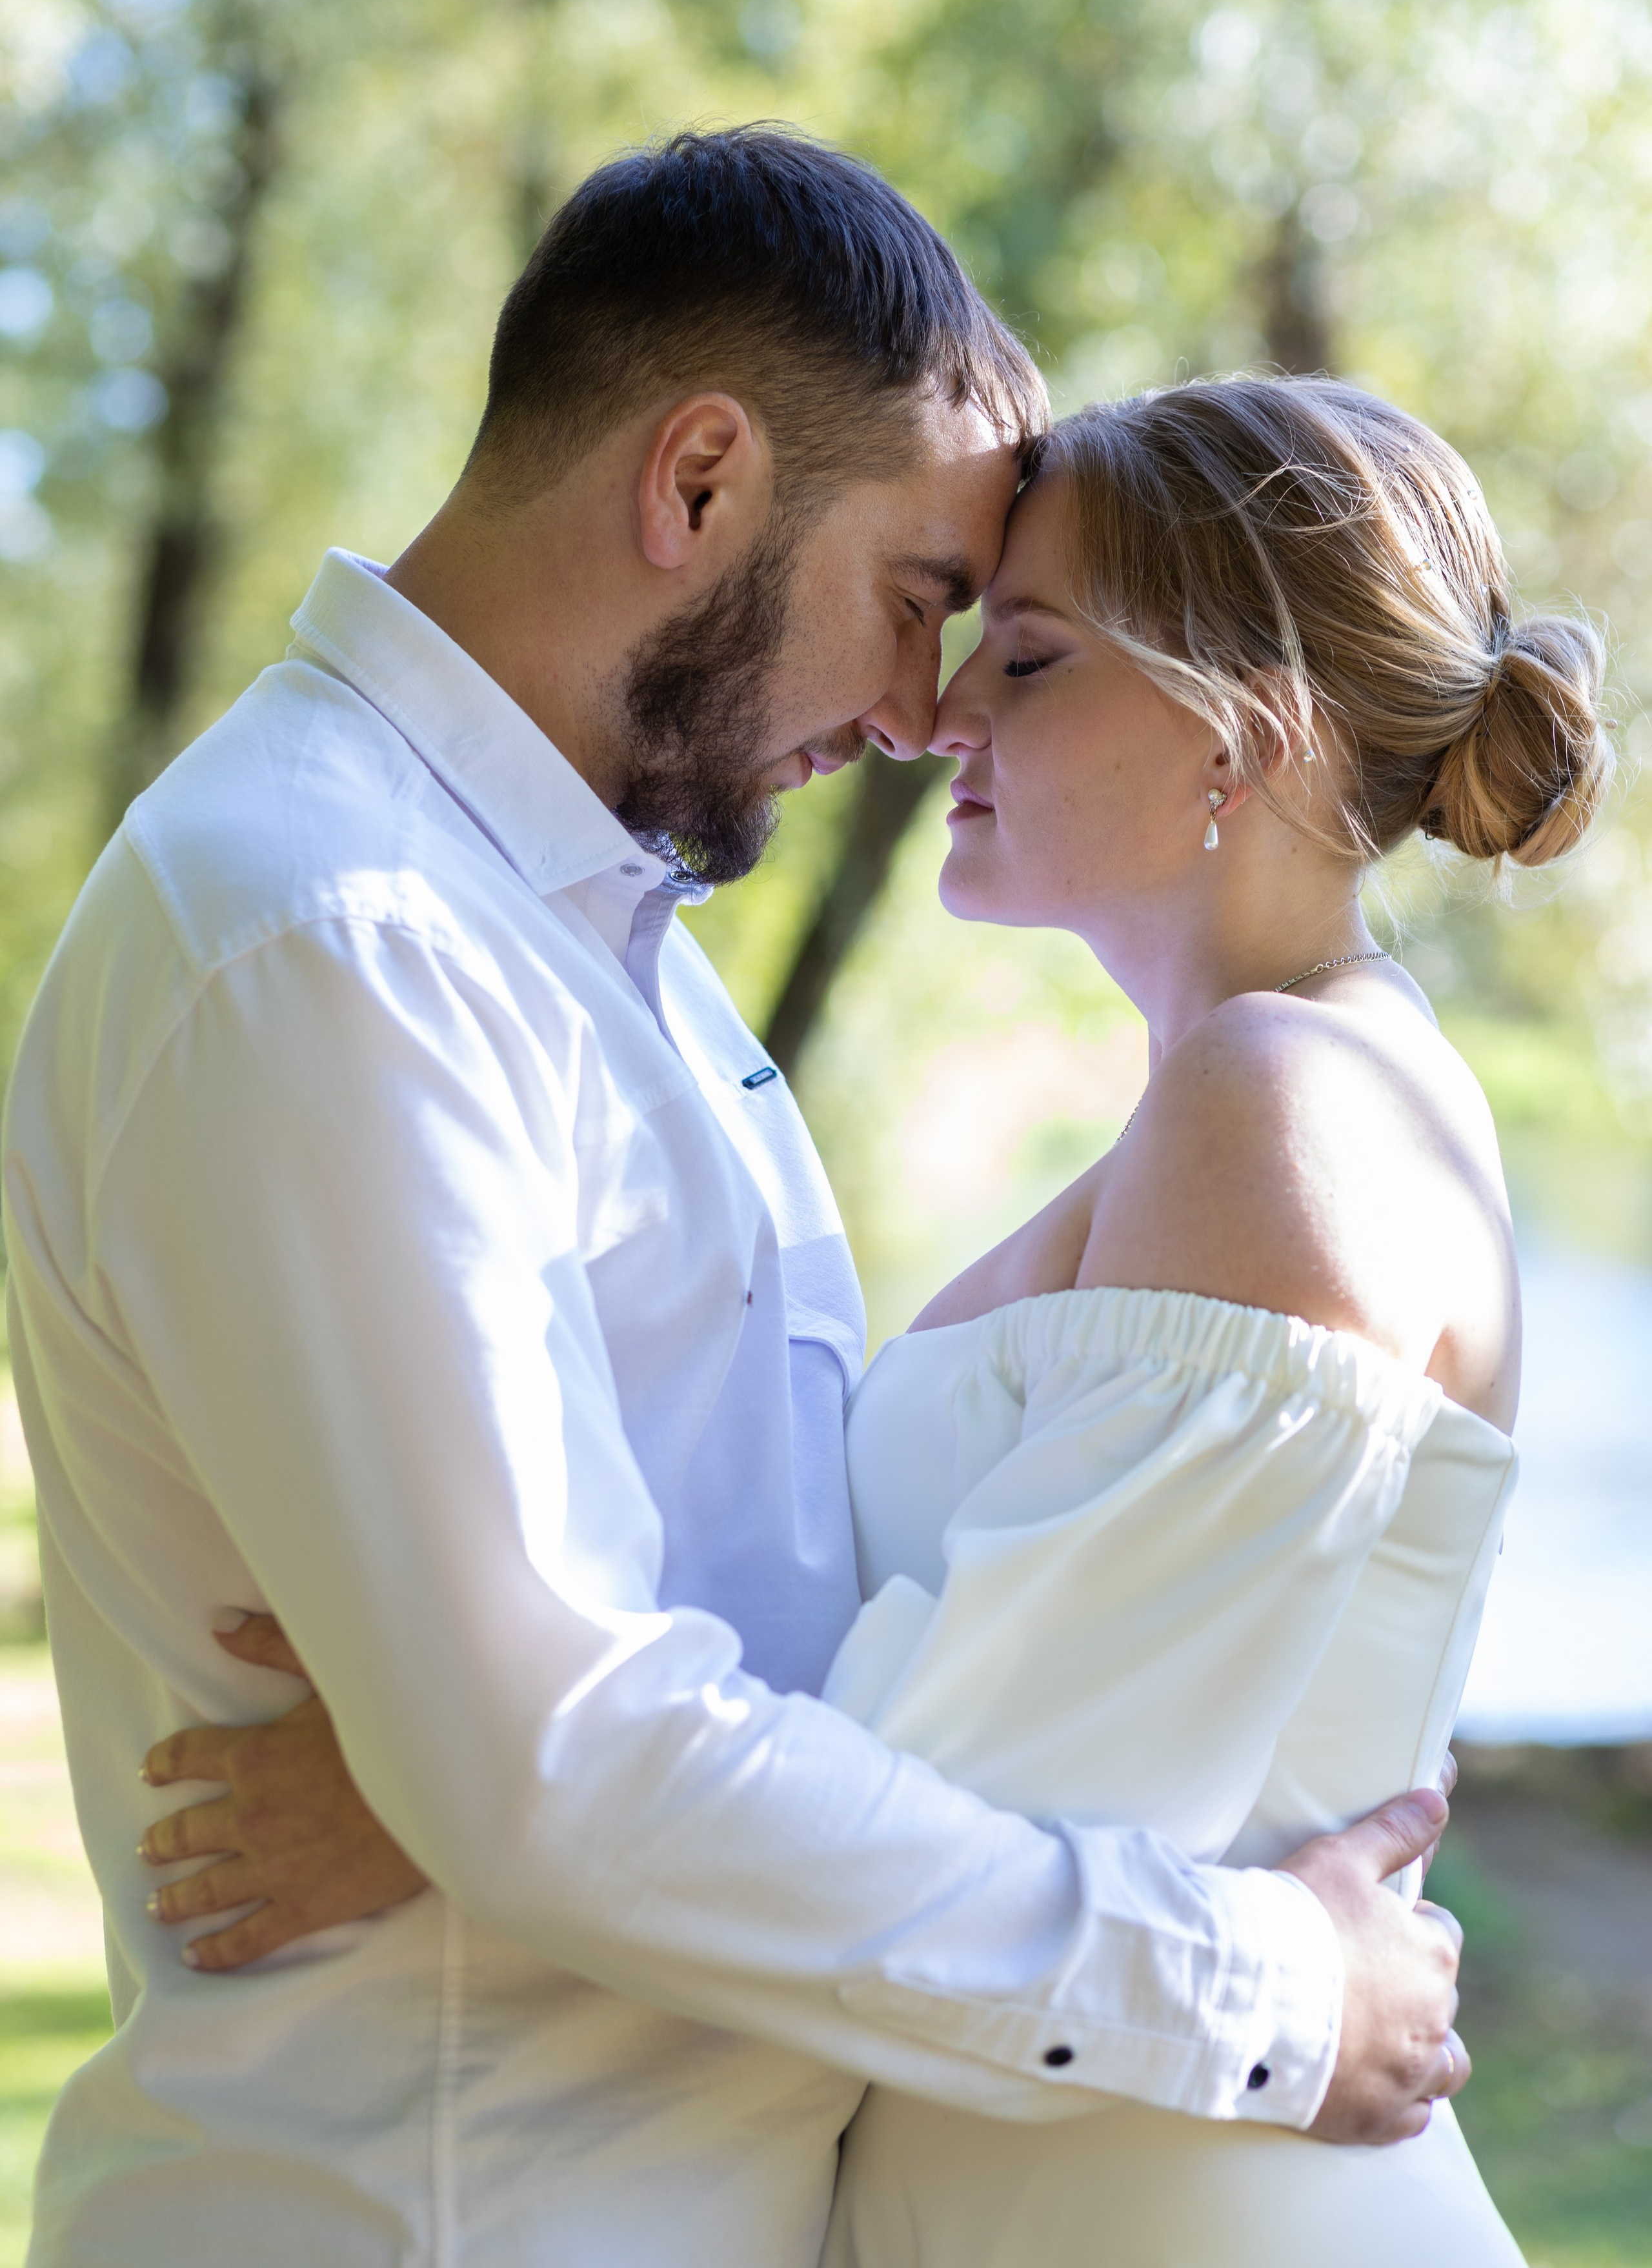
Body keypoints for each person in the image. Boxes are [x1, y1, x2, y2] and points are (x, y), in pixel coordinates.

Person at [5, 132, 1463, 2268]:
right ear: (696, 486)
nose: (913, 715)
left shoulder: (595, 953)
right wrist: (1253, 1994)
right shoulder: (336, 941)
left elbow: (675, 1653)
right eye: (916, 601)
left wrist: (427, 1789)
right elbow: (568, 1761)